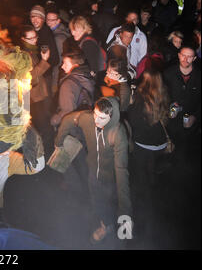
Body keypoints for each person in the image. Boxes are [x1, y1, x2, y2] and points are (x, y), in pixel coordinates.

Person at [55, 97, 132, 244]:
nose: (96, 121)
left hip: (110, 176)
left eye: (102, 118)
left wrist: (125, 211)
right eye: (95, 115)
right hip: (92, 171)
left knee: (108, 200)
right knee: (96, 199)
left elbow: (122, 171)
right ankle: (105, 223)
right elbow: (68, 120)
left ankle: (109, 226)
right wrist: (58, 142)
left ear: (111, 117)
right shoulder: (87, 118)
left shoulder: (117, 133)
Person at [127, 70, 170, 240]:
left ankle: (144, 209)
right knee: (153, 171)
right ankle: (156, 195)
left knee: (141, 175)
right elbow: (169, 117)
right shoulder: (164, 96)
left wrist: (130, 105)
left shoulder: (140, 98)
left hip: (143, 144)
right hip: (159, 144)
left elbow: (134, 120)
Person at [19, 25, 54, 160]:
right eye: (31, 38)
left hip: (39, 95)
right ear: (23, 39)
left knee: (44, 124)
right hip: (34, 97)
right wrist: (44, 61)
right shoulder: (23, 55)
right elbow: (30, 77)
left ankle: (45, 152)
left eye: (35, 37)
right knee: (42, 126)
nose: (35, 40)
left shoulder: (32, 51)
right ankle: (45, 154)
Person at [163, 45, 201, 159]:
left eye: (189, 57)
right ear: (179, 55)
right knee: (170, 155)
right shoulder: (168, 73)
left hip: (191, 127)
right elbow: (162, 96)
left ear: (194, 58)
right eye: (183, 55)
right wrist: (167, 110)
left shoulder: (199, 76)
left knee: (186, 155)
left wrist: (195, 117)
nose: (185, 59)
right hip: (171, 125)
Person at [50, 49, 94, 127]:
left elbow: (67, 112)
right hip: (86, 120)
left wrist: (54, 120)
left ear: (75, 65)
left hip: (72, 126)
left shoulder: (68, 84)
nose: (62, 66)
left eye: (65, 64)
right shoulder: (86, 75)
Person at [46, 8, 71, 96]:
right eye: (47, 19)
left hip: (58, 75)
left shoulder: (58, 38)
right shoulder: (55, 32)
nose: (49, 22)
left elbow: (59, 61)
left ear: (58, 21)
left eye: (52, 20)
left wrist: (55, 82)